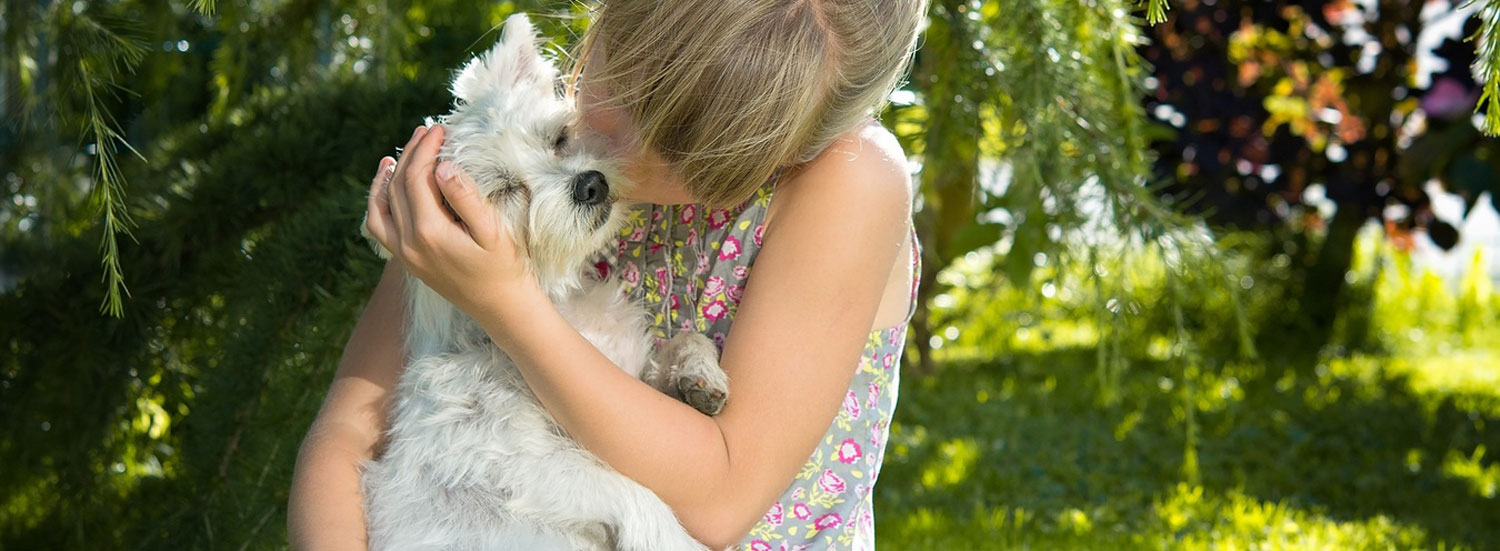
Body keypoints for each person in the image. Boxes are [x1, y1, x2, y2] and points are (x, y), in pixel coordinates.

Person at [287, 1, 927, 549]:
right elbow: (352, 427)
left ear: (788, 150)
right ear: (605, 23)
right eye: (619, 87)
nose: (608, 154)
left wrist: (507, 302)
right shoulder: (519, 141)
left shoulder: (848, 180)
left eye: (680, 148)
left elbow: (723, 497)